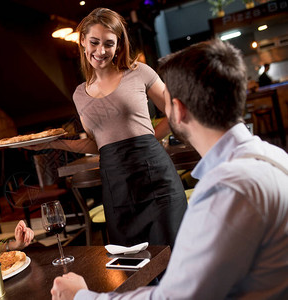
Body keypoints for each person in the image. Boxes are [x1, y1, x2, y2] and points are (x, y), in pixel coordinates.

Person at [50, 39, 288, 300]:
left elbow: (175, 298)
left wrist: (82, 296)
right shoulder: (276, 157)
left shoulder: (224, 189)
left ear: (178, 110)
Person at [28, 7, 186, 248]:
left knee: (175, 256)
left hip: (156, 176)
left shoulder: (139, 72)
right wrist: (51, 143)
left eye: (109, 44)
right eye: (94, 42)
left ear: (118, 45)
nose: (101, 51)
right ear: (82, 41)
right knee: (133, 265)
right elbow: (96, 143)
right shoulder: (80, 94)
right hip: (116, 183)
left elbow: (176, 110)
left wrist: (151, 138)